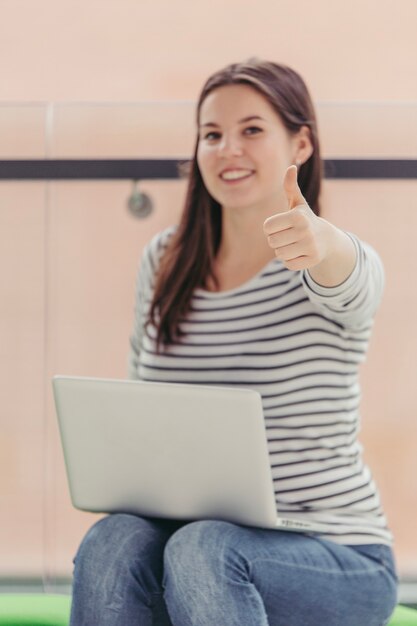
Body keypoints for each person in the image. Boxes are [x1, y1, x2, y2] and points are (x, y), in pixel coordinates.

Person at [69, 59, 398, 626]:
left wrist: (324, 242)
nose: (227, 150)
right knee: (112, 539)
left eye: (251, 130)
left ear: (300, 144)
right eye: (211, 134)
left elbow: (356, 280)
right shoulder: (164, 260)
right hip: (192, 545)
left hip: (338, 556)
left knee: (207, 548)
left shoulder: (324, 258)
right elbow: (144, 414)